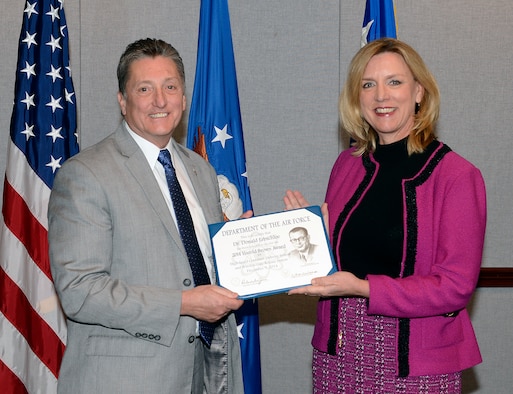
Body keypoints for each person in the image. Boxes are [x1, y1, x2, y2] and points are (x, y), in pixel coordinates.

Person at [285, 38, 486, 393]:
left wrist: (363, 289)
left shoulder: (456, 176)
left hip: (417, 364)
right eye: (368, 84)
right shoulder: (346, 165)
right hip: (338, 352)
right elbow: (337, 259)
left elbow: (455, 288)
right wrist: (306, 235)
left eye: (394, 82)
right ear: (357, 98)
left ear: (419, 92)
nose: (381, 95)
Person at [48, 38, 247, 393]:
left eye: (170, 87)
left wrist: (243, 247)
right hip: (125, 381)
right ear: (122, 101)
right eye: (145, 88)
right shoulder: (85, 174)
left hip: (207, 371)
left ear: (184, 98)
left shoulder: (199, 170)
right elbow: (79, 291)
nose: (160, 101)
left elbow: (196, 262)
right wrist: (185, 304)